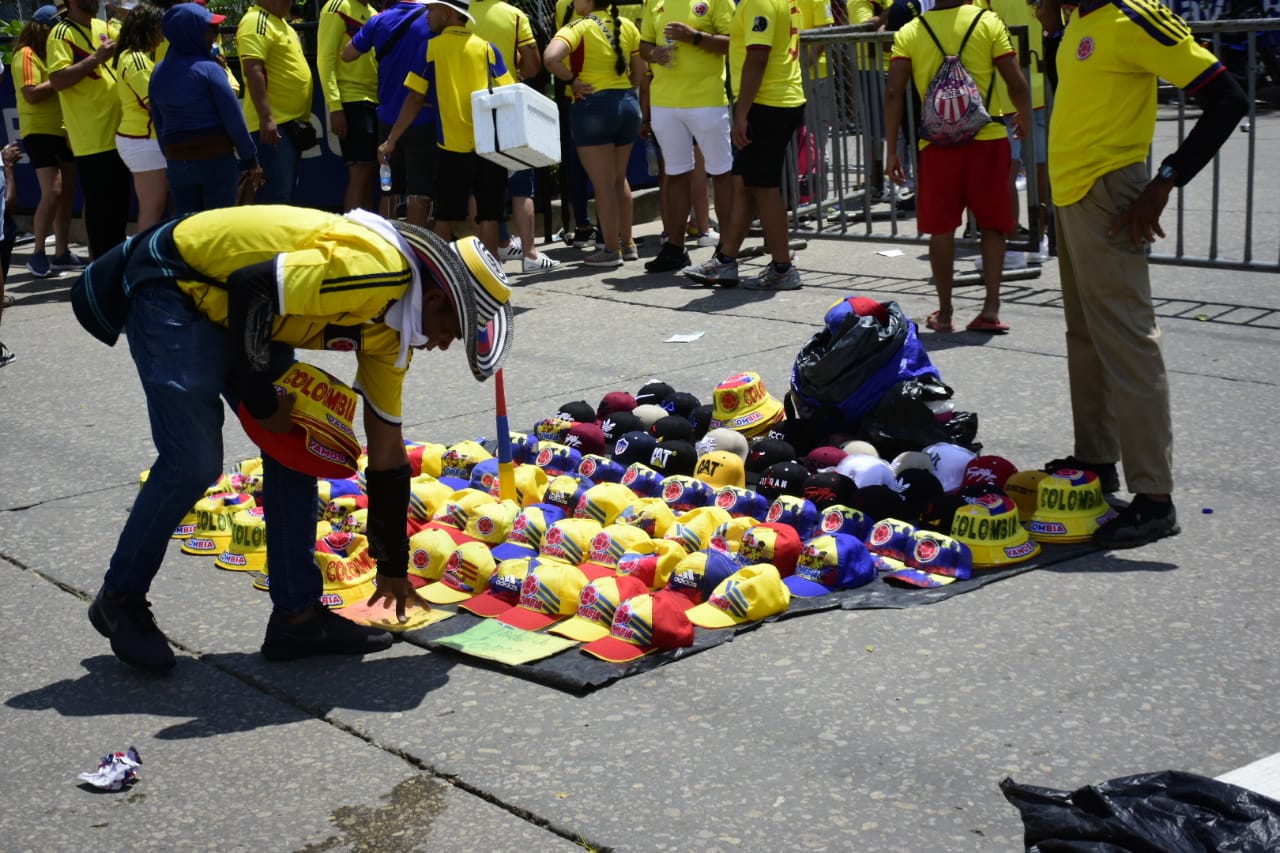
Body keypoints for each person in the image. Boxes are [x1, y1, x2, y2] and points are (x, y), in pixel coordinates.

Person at [74, 205, 514, 672]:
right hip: (179, 287)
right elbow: (251, 284)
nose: (444, 344)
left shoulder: (394, 334)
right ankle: (119, 599)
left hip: (248, 311)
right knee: (193, 460)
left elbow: (387, 452)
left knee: (301, 447)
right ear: (437, 301)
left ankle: (296, 617)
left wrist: (391, 566)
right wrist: (262, 401)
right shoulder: (377, 272)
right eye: (453, 331)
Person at [1036, 0, 1247, 547]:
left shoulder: (1137, 16)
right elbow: (1079, 91)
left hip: (1110, 194)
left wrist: (1165, 181)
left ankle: (1154, 499)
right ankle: (1096, 459)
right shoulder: (1079, 16)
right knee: (1085, 337)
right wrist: (1054, 31)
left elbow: (1228, 99)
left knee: (1128, 341)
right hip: (1073, 194)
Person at [883, 0, 1029, 333]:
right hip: (988, 137)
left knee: (941, 229)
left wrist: (893, 150)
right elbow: (1016, 82)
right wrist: (1020, 115)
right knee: (992, 225)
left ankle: (946, 313)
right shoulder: (988, 22)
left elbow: (894, 92)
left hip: (936, 145)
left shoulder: (910, 32)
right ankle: (990, 308)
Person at [681, 0, 807, 290]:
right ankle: (726, 260)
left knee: (763, 186)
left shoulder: (758, 2)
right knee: (743, 182)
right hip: (778, 99)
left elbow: (758, 56)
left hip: (768, 103)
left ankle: (782, 268)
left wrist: (742, 111)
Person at [378, 0, 515, 256]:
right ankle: (492, 277)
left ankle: (441, 274)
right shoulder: (488, 49)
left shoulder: (430, 48)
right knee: (489, 216)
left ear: (447, 13)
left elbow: (415, 98)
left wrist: (391, 139)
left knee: (445, 217)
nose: (427, 14)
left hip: (450, 147)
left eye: (431, 9)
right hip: (488, 146)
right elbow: (509, 94)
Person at [544, 0, 646, 268]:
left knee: (602, 184)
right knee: (618, 178)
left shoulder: (578, 26)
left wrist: (573, 81)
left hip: (593, 107)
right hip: (627, 104)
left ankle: (611, 249)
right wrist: (625, 91)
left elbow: (550, 58)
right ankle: (629, 243)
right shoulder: (626, 25)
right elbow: (639, 72)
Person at [638, 0, 735, 273]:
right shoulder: (654, 3)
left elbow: (733, 42)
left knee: (721, 172)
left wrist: (695, 37)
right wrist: (654, 53)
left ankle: (727, 249)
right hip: (665, 102)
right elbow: (643, 45)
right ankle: (675, 248)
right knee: (676, 173)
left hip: (707, 100)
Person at [471, 0, 562, 273]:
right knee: (521, 184)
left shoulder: (459, 14)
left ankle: (495, 249)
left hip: (473, 106)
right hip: (508, 102)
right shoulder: (513, 15)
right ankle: (531, 255)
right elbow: (533, 66)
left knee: (483, 185)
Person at [151, 2, 260, 214]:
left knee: (187, 231)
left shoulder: (157, 72)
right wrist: (251, 158)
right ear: (192, 32)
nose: (214, 36)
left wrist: (173, 157)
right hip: (216, 163)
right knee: (218, 230)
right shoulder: (210, 69)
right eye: (210, 30)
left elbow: (158, 121)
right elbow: (233, 118)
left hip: (177, 164)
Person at [343, 0, 437, 227]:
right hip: (423, 116)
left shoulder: (378, 20)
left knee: (389, 191)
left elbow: (347, 54)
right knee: (419, 192)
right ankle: (415, 252)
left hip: (387, 117)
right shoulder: (432, 19)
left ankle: (388, 250)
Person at [47, 0, 129, 260]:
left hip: (120, 132)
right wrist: (96, 59)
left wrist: (127, 16)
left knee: (118, 210)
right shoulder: (61, 33)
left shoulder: (103, 25)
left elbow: (132, 47)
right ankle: (100, 272)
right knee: (101, 211)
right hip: (91, 137)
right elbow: (58, 79)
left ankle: (114, 269)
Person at [11, 5, 79, 278]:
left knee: (67, 194)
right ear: (42, 29)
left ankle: (61, 253)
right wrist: (61, 78)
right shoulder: (25, 55)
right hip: (38, 131)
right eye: (54, 28)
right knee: (53, 191)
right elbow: (31, 95)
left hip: (65, 130)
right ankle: (38, 252)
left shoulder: (52, 54)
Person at [237, 0, 314, 204]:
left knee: (284, 194)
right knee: (275, 197)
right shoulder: (256, 21)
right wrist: (266, 118)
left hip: (290, 125)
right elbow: (253, 70)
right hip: (273, 127)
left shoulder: (283, 24)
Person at [317, 0, 379, 213]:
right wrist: (335, 106)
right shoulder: (337, 5)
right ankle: (351, 236)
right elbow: (324, 58)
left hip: (374, 100)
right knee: (360, 172)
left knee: (370, 174)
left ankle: (369, 236)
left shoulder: (372, 11)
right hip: (351, 99)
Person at [114, 3, 168, 230]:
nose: (163, 33)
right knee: (152, 209)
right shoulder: (135, 59)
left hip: (141, 139)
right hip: (144, 139)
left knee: (152, 208)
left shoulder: (133, 56)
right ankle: (142, 262)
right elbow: (154, 103)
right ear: (149, 28)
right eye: (159, 27)